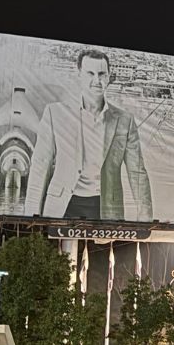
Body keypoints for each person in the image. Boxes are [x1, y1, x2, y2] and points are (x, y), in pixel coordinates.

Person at [25, 49, 153, 221]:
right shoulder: (55, 113)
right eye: (90, 73)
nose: (96, 80)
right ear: (79, 75)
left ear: (109, 77)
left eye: (101, 74)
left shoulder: (125, 120)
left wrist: (145, 218)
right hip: (62, 205)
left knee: (104, 249)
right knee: (59, 248)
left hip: (107, 208)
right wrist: (30, 215)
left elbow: (137, 172)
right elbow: (40, 166)